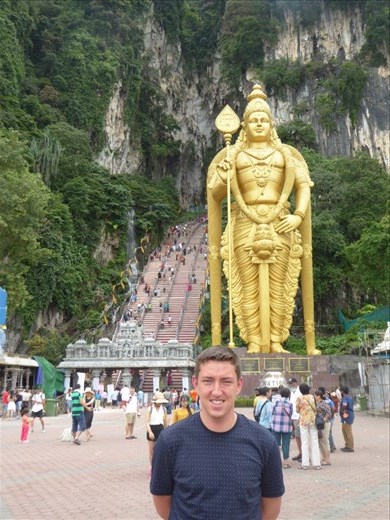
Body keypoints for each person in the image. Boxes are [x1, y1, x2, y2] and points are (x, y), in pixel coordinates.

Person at [207, 83, 319, 355]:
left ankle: (277, 340)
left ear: (272, 124)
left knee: (281, 286)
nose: (259, 125)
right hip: (244, 223)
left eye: (263, 120)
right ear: (243, 126)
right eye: (253, 121)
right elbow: (215, 192)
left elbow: (303, 186)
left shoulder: (287, 155)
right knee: (246, 286)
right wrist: (224, 175)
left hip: (280, 221)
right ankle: (254, 340)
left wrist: (298, 215)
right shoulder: (233, 154)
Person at [151, 346, 284, 520]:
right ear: (195, 384)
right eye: (208, 381)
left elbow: (271, 507)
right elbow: (162, 502)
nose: (216, 391)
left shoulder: (264, 442)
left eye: (226, 381)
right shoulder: (170, 441)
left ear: (239, 385)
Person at [295, 383, 321, 470]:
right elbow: (316, 408)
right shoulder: (313, 397)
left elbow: (297, 410)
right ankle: (317, 463)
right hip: (313, 421)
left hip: (303, 421)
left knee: (304, 442)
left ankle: (305, 464)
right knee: (314, 441)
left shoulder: (299, 398)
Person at [270, 387, 293, 468]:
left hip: (276, 426)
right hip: (287, 426)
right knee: (286, 444)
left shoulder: (275, 402)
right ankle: (286, 462)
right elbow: (291, 414)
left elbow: (272, 412)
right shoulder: (290, 404)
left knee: (276, 443)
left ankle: (276, 461)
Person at [145, 391, 168, 467]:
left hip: (160, 428)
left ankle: (158, 466)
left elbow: (165, 422)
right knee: (152, 450)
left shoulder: (164, 409)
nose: (160, 403)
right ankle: (152, 467)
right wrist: (150, 432)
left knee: (159, 450)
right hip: (152, 428)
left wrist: (167, 430)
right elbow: (147, 422)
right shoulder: (150, 409)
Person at [314, 390, 332, 465]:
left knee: (324, 441)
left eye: (316, 395)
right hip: (320, 425)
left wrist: (323, 420)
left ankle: (327, 459)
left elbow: (328, 413)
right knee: (321, 442)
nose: (315, 397)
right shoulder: (317, 403)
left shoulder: (324, 403)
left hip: (325, 424)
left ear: (319, 396)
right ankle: (324, 457)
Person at [287, 377, 302, 462]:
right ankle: (300, 453)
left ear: (295, 383)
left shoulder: (300, 392)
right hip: (292, 416)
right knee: (296, 436)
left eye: (291, 384)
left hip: (298, 417)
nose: (290, 385)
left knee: (300, 435)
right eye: (289, 384)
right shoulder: (292, 392)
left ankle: (303, 454)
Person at [340, 385, 355, 452]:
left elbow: (344, 406)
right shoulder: (349, 397)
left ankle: (350, 447)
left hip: (346, 415)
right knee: (344, 430)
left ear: (342, 391)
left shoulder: (345, 398)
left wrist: (341, 411)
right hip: (348, 415)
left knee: (348, 431)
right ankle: (347, 445)